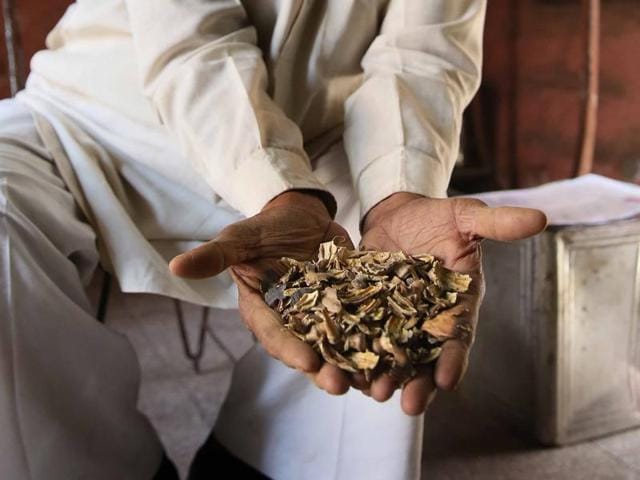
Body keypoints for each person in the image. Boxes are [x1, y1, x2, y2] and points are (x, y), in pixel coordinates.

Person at [0, 0, 546, 478]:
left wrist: (399, 193)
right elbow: (192, 44)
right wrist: (277, 189)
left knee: (387, 304)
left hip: (313, 148)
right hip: (93, 119)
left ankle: (258, 463)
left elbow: (424, 53)